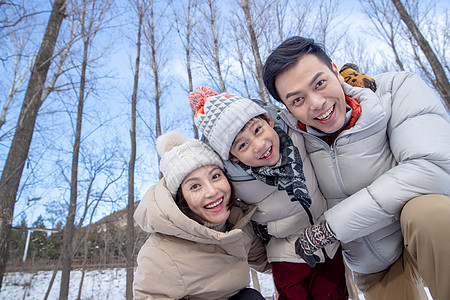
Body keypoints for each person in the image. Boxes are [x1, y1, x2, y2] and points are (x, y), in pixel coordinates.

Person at [262, 36, 450, 300]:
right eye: (297, 100)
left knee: (428, 213)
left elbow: (435, 167)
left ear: (337, 73)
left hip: (428, 235)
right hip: (374, 265)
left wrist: (331, 227)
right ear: (288, 109)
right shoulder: (289, 141)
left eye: (319, 83)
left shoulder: (393, 91)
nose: (316, 103)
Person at [188, 86, 348, 299]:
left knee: (334, 294)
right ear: (233, 158)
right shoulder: (235, 181)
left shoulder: (296, 134)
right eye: (243, 145)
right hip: (287, 255)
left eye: (257, 130)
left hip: (327, 240)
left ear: (269, 121)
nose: (259, 145)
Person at [133, 131, 269, 300]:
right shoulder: (160, 255)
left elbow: (268, 260)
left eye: (215, 176)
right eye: (195, 186)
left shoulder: (237, 224)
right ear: (180, 199)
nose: (212, 191)